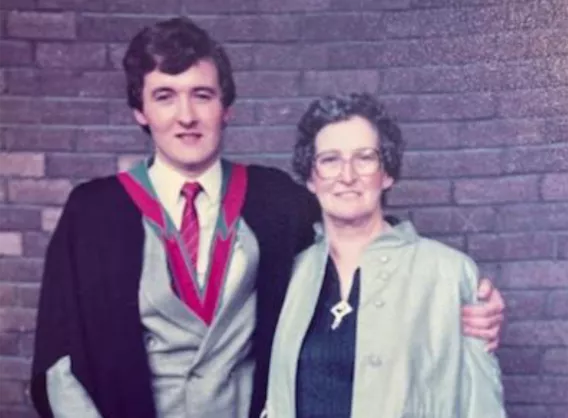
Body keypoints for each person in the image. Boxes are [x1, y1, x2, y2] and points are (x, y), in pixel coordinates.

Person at [30, 17, 505, 418]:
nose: (186, 115)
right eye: (164, 96)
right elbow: (59, 359)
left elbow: (357, 226)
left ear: (227, 108)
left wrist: (460, 294)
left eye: (202, 95)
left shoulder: (274, 199)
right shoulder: (93, 213)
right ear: (139, 111)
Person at [266, 93, 506, 418]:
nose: (347, 175)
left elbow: (483, 407)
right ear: (311, 177)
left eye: (364, 158)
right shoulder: (290, 274)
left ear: (387, 173)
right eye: (330, 160)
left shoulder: (448, 273)